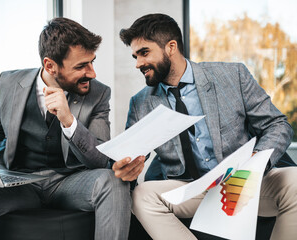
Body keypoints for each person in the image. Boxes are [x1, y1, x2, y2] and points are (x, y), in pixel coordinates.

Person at [113, 13, 297, 240]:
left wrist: (255, 165)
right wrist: (126, 170)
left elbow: (278, 125)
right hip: (191, 191)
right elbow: (128, 156)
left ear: (171, 47)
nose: (138, 63)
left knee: (294, 181)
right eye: (135, 56)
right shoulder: (140, 103)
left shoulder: (232, 76)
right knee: (142, 196)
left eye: (144, 53)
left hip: (242, 184)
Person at [0, 17, 131, 240]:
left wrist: (69, 121)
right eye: (81, 66)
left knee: (114, 181)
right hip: (20, 184)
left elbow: (100, 159)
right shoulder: (8, 83)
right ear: (50, 66)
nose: (92, 73)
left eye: (92, 62)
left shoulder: (98, 93)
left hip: (70, 183)